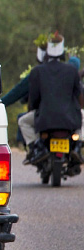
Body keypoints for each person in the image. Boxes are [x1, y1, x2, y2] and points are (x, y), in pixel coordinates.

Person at [22, 32, 84, 166]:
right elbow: (79, 96)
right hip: (70, 119)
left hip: (44, 119)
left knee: (23, 121)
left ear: (47, 52)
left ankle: (37, 148)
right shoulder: (72, 71)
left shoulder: (37, 71)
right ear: (62, 51)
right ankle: (78, 147)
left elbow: (33, 99)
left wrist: (34, 109)